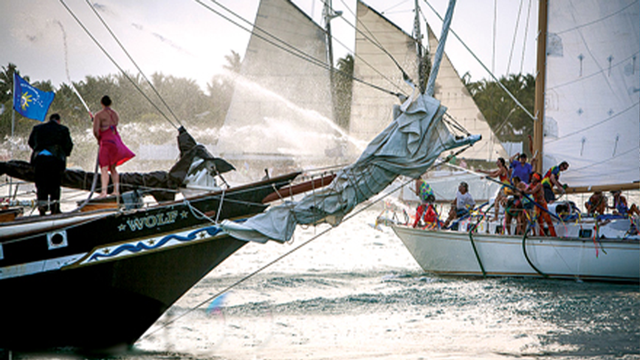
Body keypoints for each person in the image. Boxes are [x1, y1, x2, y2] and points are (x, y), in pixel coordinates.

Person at [28, 113, 73, 215]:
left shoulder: (37, 128)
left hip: (39, 160)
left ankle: (42, 207)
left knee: (41, 184)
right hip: (54, 160)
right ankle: (55, 208)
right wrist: (64, 154)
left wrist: (38, 149)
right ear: (58, 120)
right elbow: (68, 145)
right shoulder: (62, 129)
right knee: (55, 184)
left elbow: (31, 142)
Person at [93, 95, 135, 198]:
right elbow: (113, 126)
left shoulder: (99, 115)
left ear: (101, 103)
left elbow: (95, 131)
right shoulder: (115, 114)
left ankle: (104, 192)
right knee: (113, 168)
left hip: (106, 142)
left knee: (104, 168)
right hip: (116, 141)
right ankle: (116, 191)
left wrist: (99, 139)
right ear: (110, 103)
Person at [524, 172, 557, 237]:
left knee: (547, 220)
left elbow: (532, 191)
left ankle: (553, 235)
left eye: (534, 177)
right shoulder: (531, 184)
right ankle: (540, 234)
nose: (532, 178)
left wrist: (524, 192)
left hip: (542, 204)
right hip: (536, 203)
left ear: (536, 179)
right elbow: (526, 190)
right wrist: (522, 191)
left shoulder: (539, 185)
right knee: (539, 220)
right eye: (532, 177)